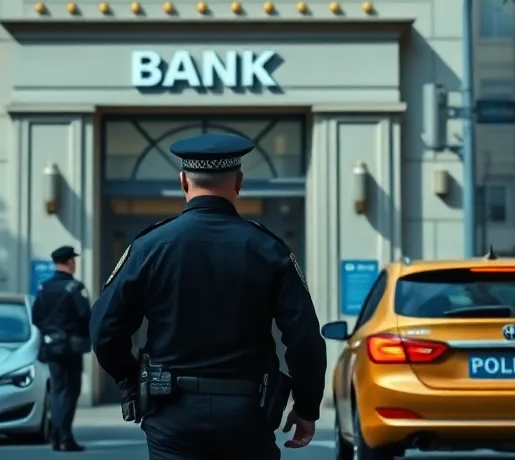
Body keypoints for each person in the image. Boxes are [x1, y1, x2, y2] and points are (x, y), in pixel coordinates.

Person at [90, 133, 326, 460]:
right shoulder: (268, 249)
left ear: (184, 181)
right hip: (247, 414)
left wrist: (133, 381)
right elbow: (304, 338)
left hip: (171, 411)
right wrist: (307, 406)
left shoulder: (149, 248)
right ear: (239, 182)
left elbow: (104, 330)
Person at [31, 245, 91, 452]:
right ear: (69, 262)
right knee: (71, 390)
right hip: (71, 346)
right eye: (73, 260)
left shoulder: (43, 287)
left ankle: (57, 435)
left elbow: (36, 317)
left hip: (50, 345)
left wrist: (51, 330)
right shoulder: (75, 287)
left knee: (57, 390)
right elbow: (85, 315)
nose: (74, 263)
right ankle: (65, 436)